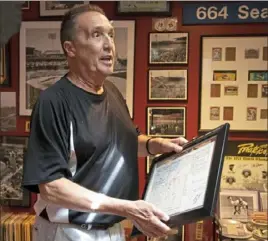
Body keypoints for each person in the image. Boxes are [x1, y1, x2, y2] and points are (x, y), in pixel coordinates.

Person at [22, 3, 188, 241]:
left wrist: (155, 144)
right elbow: (51, 186)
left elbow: (123, 142)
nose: (109, 44)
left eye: (110, 34)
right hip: (69, 233)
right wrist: (125, 207)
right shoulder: (53, 102)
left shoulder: (112, 92)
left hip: (112, 228)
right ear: (71, 48)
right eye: (96, 35)